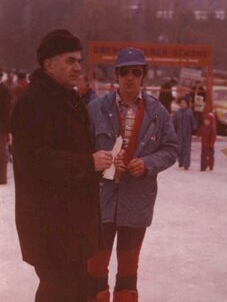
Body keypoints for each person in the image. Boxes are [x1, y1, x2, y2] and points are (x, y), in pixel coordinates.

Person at [10, 29, 113, 301]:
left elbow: (70, 150)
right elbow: (34, 159)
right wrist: (87, 162)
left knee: (74, 291)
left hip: (72, 225)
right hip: (50, 227)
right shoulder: (32, 102)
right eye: (70, 61)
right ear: (48, 64)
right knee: (58, 292)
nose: (78, 67)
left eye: (79, 60)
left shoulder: (67, 97)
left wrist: (101, 162)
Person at [87, 47, 179, 302]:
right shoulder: (95, 109)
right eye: (124, 72)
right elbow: (82, 148)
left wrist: (148, 163)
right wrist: (97, 161)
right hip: (100, 202)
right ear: (116, 75)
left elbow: (172, 148)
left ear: (143, 76)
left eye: (135, 72)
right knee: (94, 272)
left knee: (128, 274)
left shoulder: (158, 112)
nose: (129, 77)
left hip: (136, 204)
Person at [172, 95, 197, 170]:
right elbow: (173, 122)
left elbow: (193, 122)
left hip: (187, 134)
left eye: (184, 103)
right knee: (179, 149)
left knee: (187, 149)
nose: (183, 104)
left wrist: (194, 128)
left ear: (187, 104)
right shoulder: (177, 113)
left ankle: (186, 164)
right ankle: (181, 161)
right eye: (181, 103)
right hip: (179, 133)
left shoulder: (189, 112)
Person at [0, 72, 11, 184]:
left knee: (1, 154)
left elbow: (6, 111)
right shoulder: (5, 89)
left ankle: (2, 178)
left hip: (1, 128)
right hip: (2, 127)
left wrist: (7, 129)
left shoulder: (4, 90)